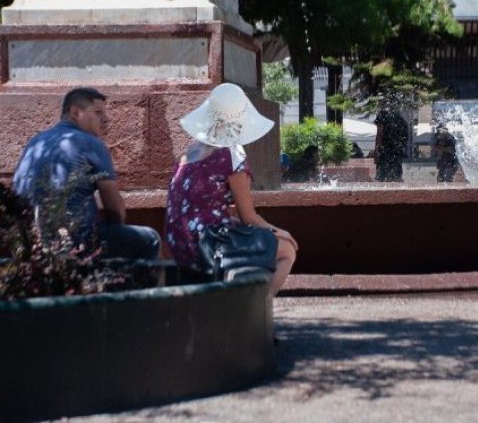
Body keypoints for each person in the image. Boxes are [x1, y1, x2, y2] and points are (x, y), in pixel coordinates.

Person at [165, 83, 298, 295]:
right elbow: (249, 217)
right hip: (207, 247)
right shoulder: (231, 154)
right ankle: (257, 309)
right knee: (287, 249)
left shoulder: (191, 151)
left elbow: (198, 207)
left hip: (179, 244)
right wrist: (281, 232)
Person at [12, 87, 161, 259]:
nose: (105, 119)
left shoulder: (35, 142)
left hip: (29, 240)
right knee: (151, 239)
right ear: (76, 112)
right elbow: (114, 210)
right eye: (98, 112)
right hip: (76, 241)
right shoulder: (92, 144)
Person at [373, 102, 408, 182]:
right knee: (396, 176)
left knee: (383, 176)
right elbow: (405, 136)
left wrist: (376, 149)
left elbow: (380, 132)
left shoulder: (382, 115)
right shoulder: (399, 117)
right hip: (397, 150)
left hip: (385, 150)